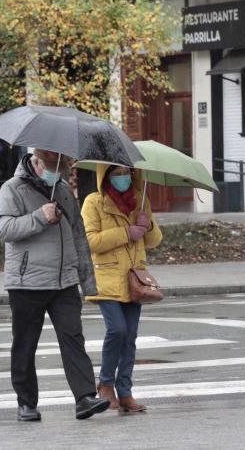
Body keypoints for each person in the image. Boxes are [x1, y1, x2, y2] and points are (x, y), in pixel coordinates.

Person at [0, 148, 110, 422]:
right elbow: (4, 230)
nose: (58, 174)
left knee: (73, 338)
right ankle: (26, 403)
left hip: (64, 282)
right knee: (25, 344)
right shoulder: (12, 189)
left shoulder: (63, 190)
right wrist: (40, 217)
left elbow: (79, 236)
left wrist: (87, 282)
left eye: (62, 169)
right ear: (36, 162)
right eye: (52, 168)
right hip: (26, 283)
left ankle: (84, 398)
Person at [81, 164, 163, 413]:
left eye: (127, 174)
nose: (123, 179)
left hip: (134, 279)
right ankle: (105, 384)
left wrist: (146, 226)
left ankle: (125, 391)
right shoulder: (94, 202)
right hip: (105, 277)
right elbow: (90, 241)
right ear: (105, 177)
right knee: (116, 330)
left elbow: (154, 240)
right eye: (116, 175)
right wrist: (126, 232)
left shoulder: (140, 200)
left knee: (130, 337)